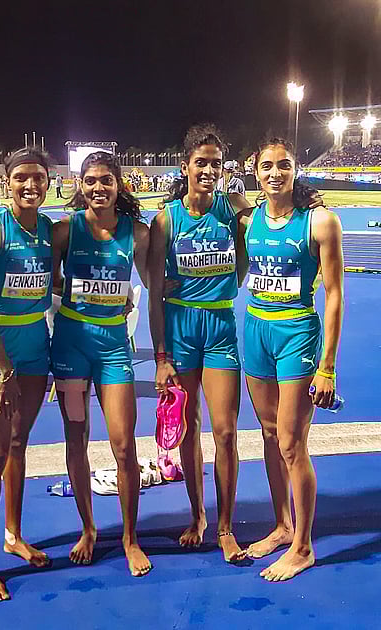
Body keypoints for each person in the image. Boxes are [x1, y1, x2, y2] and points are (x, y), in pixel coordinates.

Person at [237, 137, 344, 581]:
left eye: (283, 165)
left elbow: (335, 294)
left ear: (295, 168)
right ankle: (282, 526)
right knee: (266, 434)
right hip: (256, 328)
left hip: (297, 331)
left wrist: (327, 366)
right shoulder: (249, 219)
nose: (275, 173)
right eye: (267, 166)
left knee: (291, 443)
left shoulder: (320, 222)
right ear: (256, 172)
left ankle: (303, 546)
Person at [148, 124, 252, 563]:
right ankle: (198, 517)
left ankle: (225, 527)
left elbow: (248, 252)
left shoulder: (232, 209)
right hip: (180, 328)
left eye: (216, 163)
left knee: (226, 431)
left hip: (220, 326)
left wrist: (229, 283)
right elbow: (153, 289)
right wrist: (160, 356)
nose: (209, 170)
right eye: (201, 163)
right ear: (185, 165)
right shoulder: (167, 218)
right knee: (188, 427)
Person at [51, 151, 151, 577]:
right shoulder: (64, 230)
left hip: (113, 349)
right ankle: (88, 529)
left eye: (106, 180)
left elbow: (157, 284)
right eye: (90, 180)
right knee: (76, 440)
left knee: (123, 445)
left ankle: (130, 537)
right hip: (71, 348)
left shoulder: (138, 234)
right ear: (80, 184)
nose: (98, 188)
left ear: (119, 184)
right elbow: (45, 279)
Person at [0, 147, 53, 601]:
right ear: (7, 182)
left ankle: (14, 534)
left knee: (21, 444)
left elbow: (55, 282)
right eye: (21, 177)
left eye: (38, 177)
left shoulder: (47, 229)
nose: (30, 185)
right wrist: (4, 367)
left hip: (36, 347)